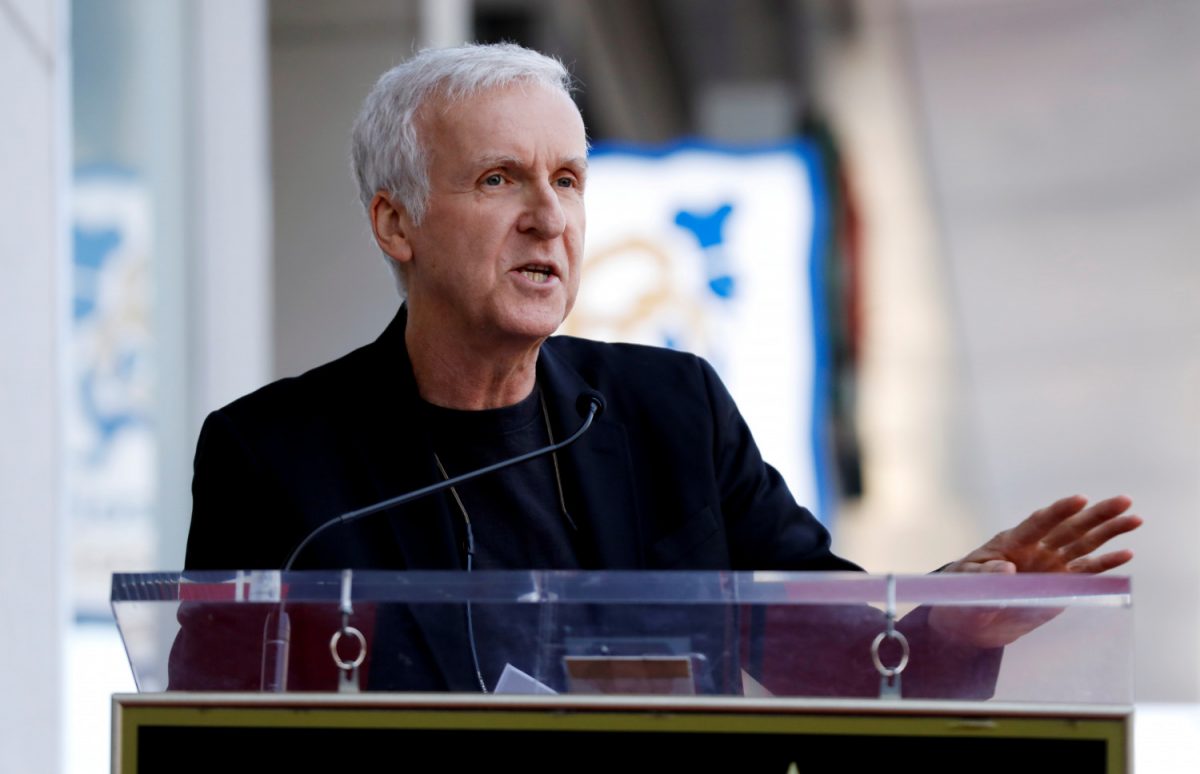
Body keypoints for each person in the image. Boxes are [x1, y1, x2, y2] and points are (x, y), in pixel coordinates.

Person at [179, 43, 1140, 692]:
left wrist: (945, 625)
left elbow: (824, 634)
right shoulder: (271, 457)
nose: (548, 217)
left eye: (568, 181)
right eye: (500, 178)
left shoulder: (669, 411)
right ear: (396, 222)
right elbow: (207, 722)